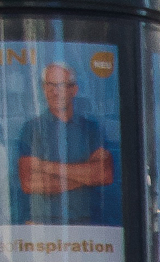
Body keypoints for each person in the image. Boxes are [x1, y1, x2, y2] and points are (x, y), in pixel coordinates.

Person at [15, 62, 116, 224]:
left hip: (87, 229)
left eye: (61, 86)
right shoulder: (32, 128)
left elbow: (104, 174)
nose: (55, 92)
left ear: (73, 90)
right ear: (43, 89)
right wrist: (84, 176)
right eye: (50, 85)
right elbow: (29, 183)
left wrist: (44, 167)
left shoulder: (91, 129)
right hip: (41, 227)